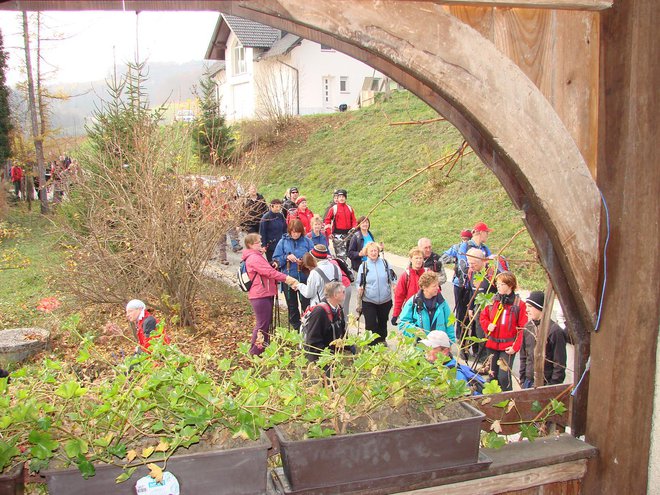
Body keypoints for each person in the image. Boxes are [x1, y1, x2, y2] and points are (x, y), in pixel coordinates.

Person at [242, 233, 298, 356]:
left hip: (264, 293)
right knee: (262, 324)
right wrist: (287, 278)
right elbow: (269, 272)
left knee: (266, 323)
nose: (260, 244)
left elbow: (267, 269)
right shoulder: (254, 258)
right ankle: (255, 352)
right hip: (260, 295)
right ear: (250, 245)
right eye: (258, 242)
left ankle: (262, 350)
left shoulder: (256, 256)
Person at [479, 271, 528, 391]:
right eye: (497, 283)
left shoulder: (519, 305)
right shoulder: (493, 301)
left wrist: (515, 347)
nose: (498, 286)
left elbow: (522, 328)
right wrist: (487, 325)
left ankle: (508, 398)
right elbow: (483, 317)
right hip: (492, 344)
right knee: (492, 375)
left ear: (510, 285)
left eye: (502, 284)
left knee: (504, 376)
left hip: (507, 347)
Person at [519, 291, 568, 388]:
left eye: (530, 306)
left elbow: (559, 364)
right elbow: (524, 356)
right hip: (528, 382)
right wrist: (522, 378)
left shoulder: (555, 331)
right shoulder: (528, 327)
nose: (527, 310)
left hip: (545, 383)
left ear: (539, 307)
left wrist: (552, 386)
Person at [272, 219, 314, 330]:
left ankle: (307, 328)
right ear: (290, 231)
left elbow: (313, 259)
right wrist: (286, 257)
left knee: (306, 304)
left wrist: (304, 261)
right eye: (293, 232)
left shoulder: (307, 241)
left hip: (304, 278)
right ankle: (296, 328)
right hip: (289, 278)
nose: (295, 234)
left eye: (298, 232)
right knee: (292, 306)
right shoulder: (283, 242)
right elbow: (275, 259)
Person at [355, 242, 396, 345]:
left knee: (383, 322)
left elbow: (392, 276)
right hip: (369, 300)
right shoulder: (363, 266)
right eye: (371, 251)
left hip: (385, 299)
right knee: (370, 324)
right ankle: (371, 344)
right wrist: (359, 288)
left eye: (375, 251)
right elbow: (358, 282)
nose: (373, 253)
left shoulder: (385, 263)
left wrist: (394, 285)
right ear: (367, 253)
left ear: (378, 252)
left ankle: (382, 340)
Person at [420, 330, 485, 394]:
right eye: (426, 347)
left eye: (431, 348)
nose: (426, 350)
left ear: (445, 351)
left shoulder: (456, 375)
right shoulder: (429, 366)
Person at [398, 271, 455, 342]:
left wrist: (450, 342)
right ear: (424, 287)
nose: (437, 288)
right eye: (434, 286)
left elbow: (449, 324)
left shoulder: (442, 303)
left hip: (438, 347)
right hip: (419, 348)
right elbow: (402, 324)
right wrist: (415, 331)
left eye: (438, 285)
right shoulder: (413, 302)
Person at [303, 281, 351, 362]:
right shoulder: (319, 312)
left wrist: (348, 345)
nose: (344, 294)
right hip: (319, 358)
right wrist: (326, 354)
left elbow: (341, 331)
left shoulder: (338, 308)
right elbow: (312, 340)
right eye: (343, 292)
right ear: (335, 295)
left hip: (332, 356)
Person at [464, 247, 497, 358]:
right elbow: (471, 292)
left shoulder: (491, 273)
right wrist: (470, 307)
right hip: (478, 307)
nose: (471, 266)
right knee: (478, 332)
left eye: (474, 264)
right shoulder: (471, 272)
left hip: (490, 308)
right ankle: (481, 357)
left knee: (486, 334)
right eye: (469, 263)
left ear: (482, 261)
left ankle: (488, 358)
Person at [391, 248, 427, 326]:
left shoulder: (427, 274)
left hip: (426, 311)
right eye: (416, 258)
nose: (419, 260)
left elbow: (436, 292)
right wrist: (396, 314)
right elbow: (399, 296)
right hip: (410, 310)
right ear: (411, 259)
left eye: (421, 258)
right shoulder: (406, 276)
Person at [323, 189, 357, 260]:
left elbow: (354, 220)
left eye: (343, 197)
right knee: (341, 256)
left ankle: (350, 269)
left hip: (349, 234)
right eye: (340, 197)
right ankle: (342, 269)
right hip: (337, 236)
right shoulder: (333, 209)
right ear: (337, 198)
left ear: (345, 198)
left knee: (350, 253)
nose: (341, 198)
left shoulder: (350, 208)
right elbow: (327, 221)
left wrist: (354, 227)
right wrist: (329, 233)